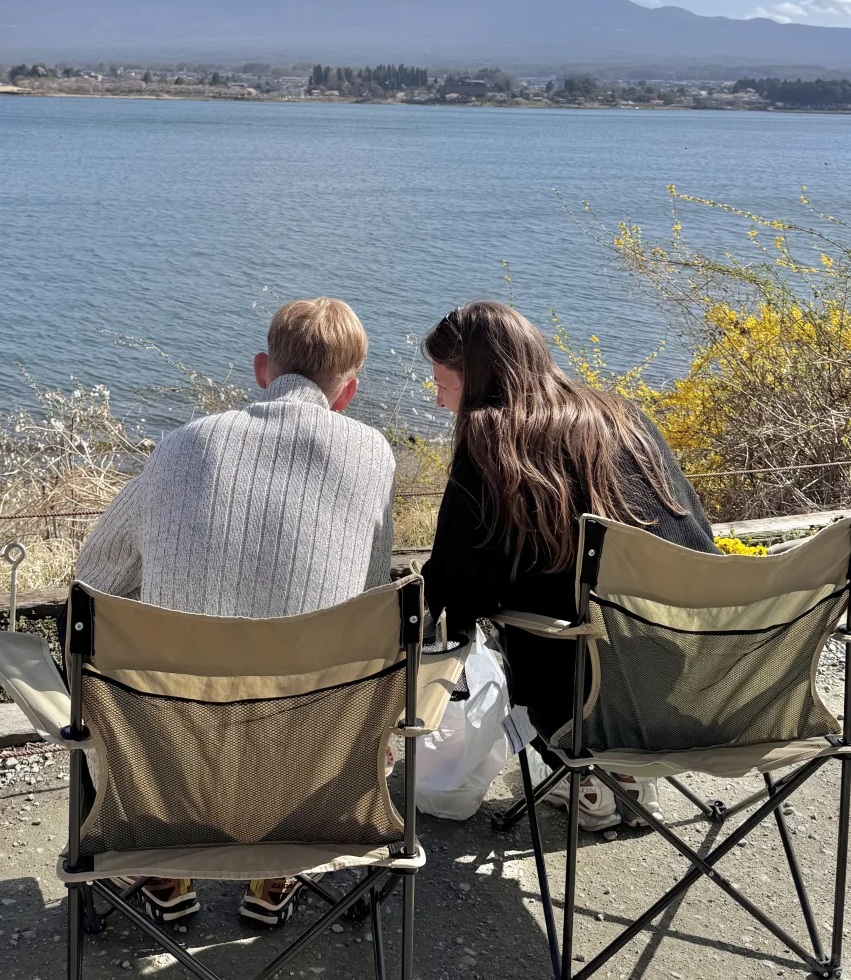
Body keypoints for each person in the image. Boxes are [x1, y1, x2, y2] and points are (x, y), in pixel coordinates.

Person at [75, 297, 396, 924]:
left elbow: (94, 579)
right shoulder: (374, 455)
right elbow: (371, 598)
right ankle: (276, 872)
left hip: (168, 776)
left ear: (260, 370)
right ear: (348, 391)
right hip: (309, 779)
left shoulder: (182, 446)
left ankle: (162, 873)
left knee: (97, 659)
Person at [419, 300, 716, 831]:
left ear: (481, 380)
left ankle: (592, 781)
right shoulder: (624, 415)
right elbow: (696, 534)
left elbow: (452, 592)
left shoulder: (493, 443)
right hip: (690, 676)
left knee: (517, 629)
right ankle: (621, 778)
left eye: (444, 385)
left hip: (584, 703)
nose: (441, 403)